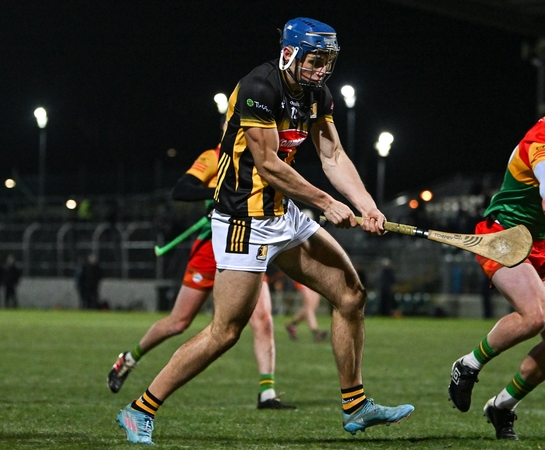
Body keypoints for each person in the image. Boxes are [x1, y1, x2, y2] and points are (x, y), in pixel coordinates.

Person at [116, 18, 413, 445]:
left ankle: (356, 405)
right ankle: (139, 410)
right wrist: (327, 202)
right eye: (314, 61)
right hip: (243, 219)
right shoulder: (259, 88)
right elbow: (270, 165)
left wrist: (367, 206)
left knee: (350, 294)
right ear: (290, 54)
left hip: (283, 213)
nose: (321, 71)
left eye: (327, 63)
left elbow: (333, 155)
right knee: (226, 332)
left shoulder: (317, 94)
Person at [448, 74, 545, 440]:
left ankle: (501, 407)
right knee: (536, 315)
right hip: (503, 236)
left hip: (540, 243)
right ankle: (467, 366)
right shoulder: (544, 137)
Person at [108, 143, 296, 411]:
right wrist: (219, 193)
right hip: (211, 248)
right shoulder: (214, 156)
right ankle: (128, 359)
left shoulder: (264, 157)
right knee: (178, 323)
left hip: (248, 245)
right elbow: (181, 190)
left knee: (263, 320)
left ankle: (267, 394)